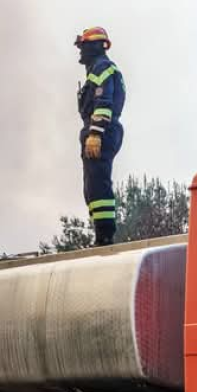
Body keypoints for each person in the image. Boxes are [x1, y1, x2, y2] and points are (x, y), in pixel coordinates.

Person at [74, 26, 126, 246]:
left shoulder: (102, 67)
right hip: (102, 129)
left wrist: (95, 133)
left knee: (98, 184)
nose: (80, 52)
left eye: (83, 47)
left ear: (94, 46)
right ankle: (101, 233)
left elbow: (103, 102)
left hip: (101, 129)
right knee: (93, 185)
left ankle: (104, 236)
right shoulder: (99, 68)